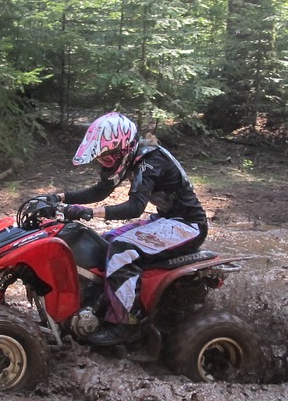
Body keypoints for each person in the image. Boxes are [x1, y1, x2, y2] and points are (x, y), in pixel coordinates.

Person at [56, 112, 208, 345]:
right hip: (166, 220)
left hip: (188, 224)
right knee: (102, 242)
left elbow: (135, 207)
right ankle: (96, 306)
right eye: (101, 159)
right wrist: (59, 198)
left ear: (123, 149)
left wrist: (88, 212)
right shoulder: (131, 157)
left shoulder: (150, 161)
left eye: (107, 158)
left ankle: (126, 324)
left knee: (121, 248)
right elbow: (99, 191)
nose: (104, 163)